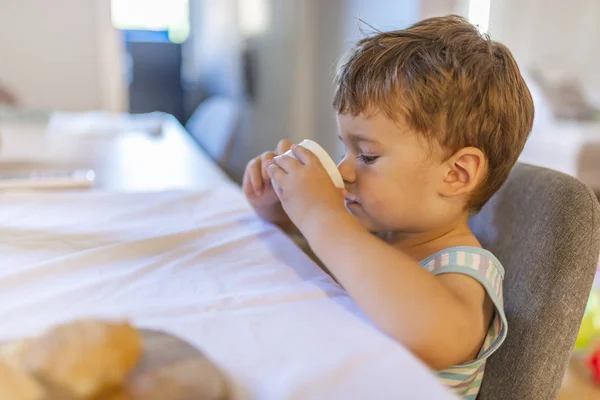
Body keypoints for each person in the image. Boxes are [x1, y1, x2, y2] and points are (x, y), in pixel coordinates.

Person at [242, 15, 534, 399]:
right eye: (345, 148)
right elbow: (315, 243)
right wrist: (279, 204)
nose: (345, 170)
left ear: (456, 174)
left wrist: (320, 215)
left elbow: (427, 333)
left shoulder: (465, 272)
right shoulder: (374, 229)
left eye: (367, 155)